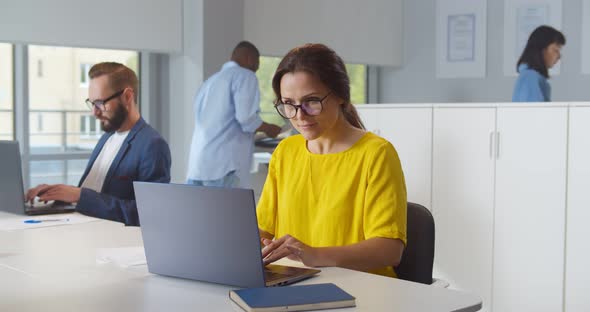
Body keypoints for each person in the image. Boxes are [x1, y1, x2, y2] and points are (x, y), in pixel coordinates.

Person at [257, 43, 407, 278]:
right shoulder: (285, 151)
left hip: (364, 289)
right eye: (289, 104)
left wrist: (314, 255)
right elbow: (262, 229)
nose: (299, 115)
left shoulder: (376, 153)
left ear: (340, 96)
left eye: (311, 102)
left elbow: (389, 250)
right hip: (296, 282)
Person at [25, 62, 171, 226]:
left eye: (101, 103)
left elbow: (150, 214)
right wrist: (60, 192)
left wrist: (79, 196)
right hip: (80, 228)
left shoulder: (152, 145)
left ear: (127, 96)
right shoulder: (107, 137)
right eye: (92, 103)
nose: (94, 112)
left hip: (109, 241)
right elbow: (96, 193)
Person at [186, 41, 282, 188]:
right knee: (226, 211)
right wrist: (270, 129)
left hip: (198, 166)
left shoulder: (210, 81)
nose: (257, 68)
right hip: (224, 167)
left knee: (196, 211)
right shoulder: (245, 76)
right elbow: (246, 119)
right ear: (250, 58)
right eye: (257, 63)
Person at [512, 25, 566, 102]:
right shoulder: (530, 77)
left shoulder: (532, 77)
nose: (559, 56)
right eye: (556, 50)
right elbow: (535, 112)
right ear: (542, 50)